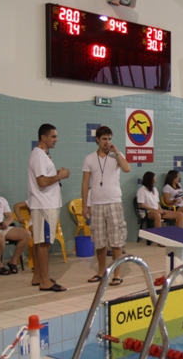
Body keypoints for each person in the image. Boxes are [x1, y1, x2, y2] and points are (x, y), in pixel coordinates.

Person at [81, 126, 131, 286]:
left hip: (114, 201)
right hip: (97, 203)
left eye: (109, 139)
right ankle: (101, 272)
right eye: (104, 139)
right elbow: (85, 183)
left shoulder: (116, 156)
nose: (107, 142)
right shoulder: (89, 158)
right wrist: (84, 205)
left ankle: (117, 274)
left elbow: (127, 168)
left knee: (116, 241)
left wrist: (117, 152)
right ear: (97, 139)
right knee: (100, 241)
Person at [28, 123, 69, 292]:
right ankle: (45, 281)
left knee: (41, 241)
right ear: (43, 137)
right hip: (44, 204)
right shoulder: (38, 155)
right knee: (44, 242)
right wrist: (60, 176)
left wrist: (56, 175)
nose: (56, 140)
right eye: (53, 136)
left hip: (46, 203)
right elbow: (42, 181)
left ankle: (38, 276)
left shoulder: (43, 155)